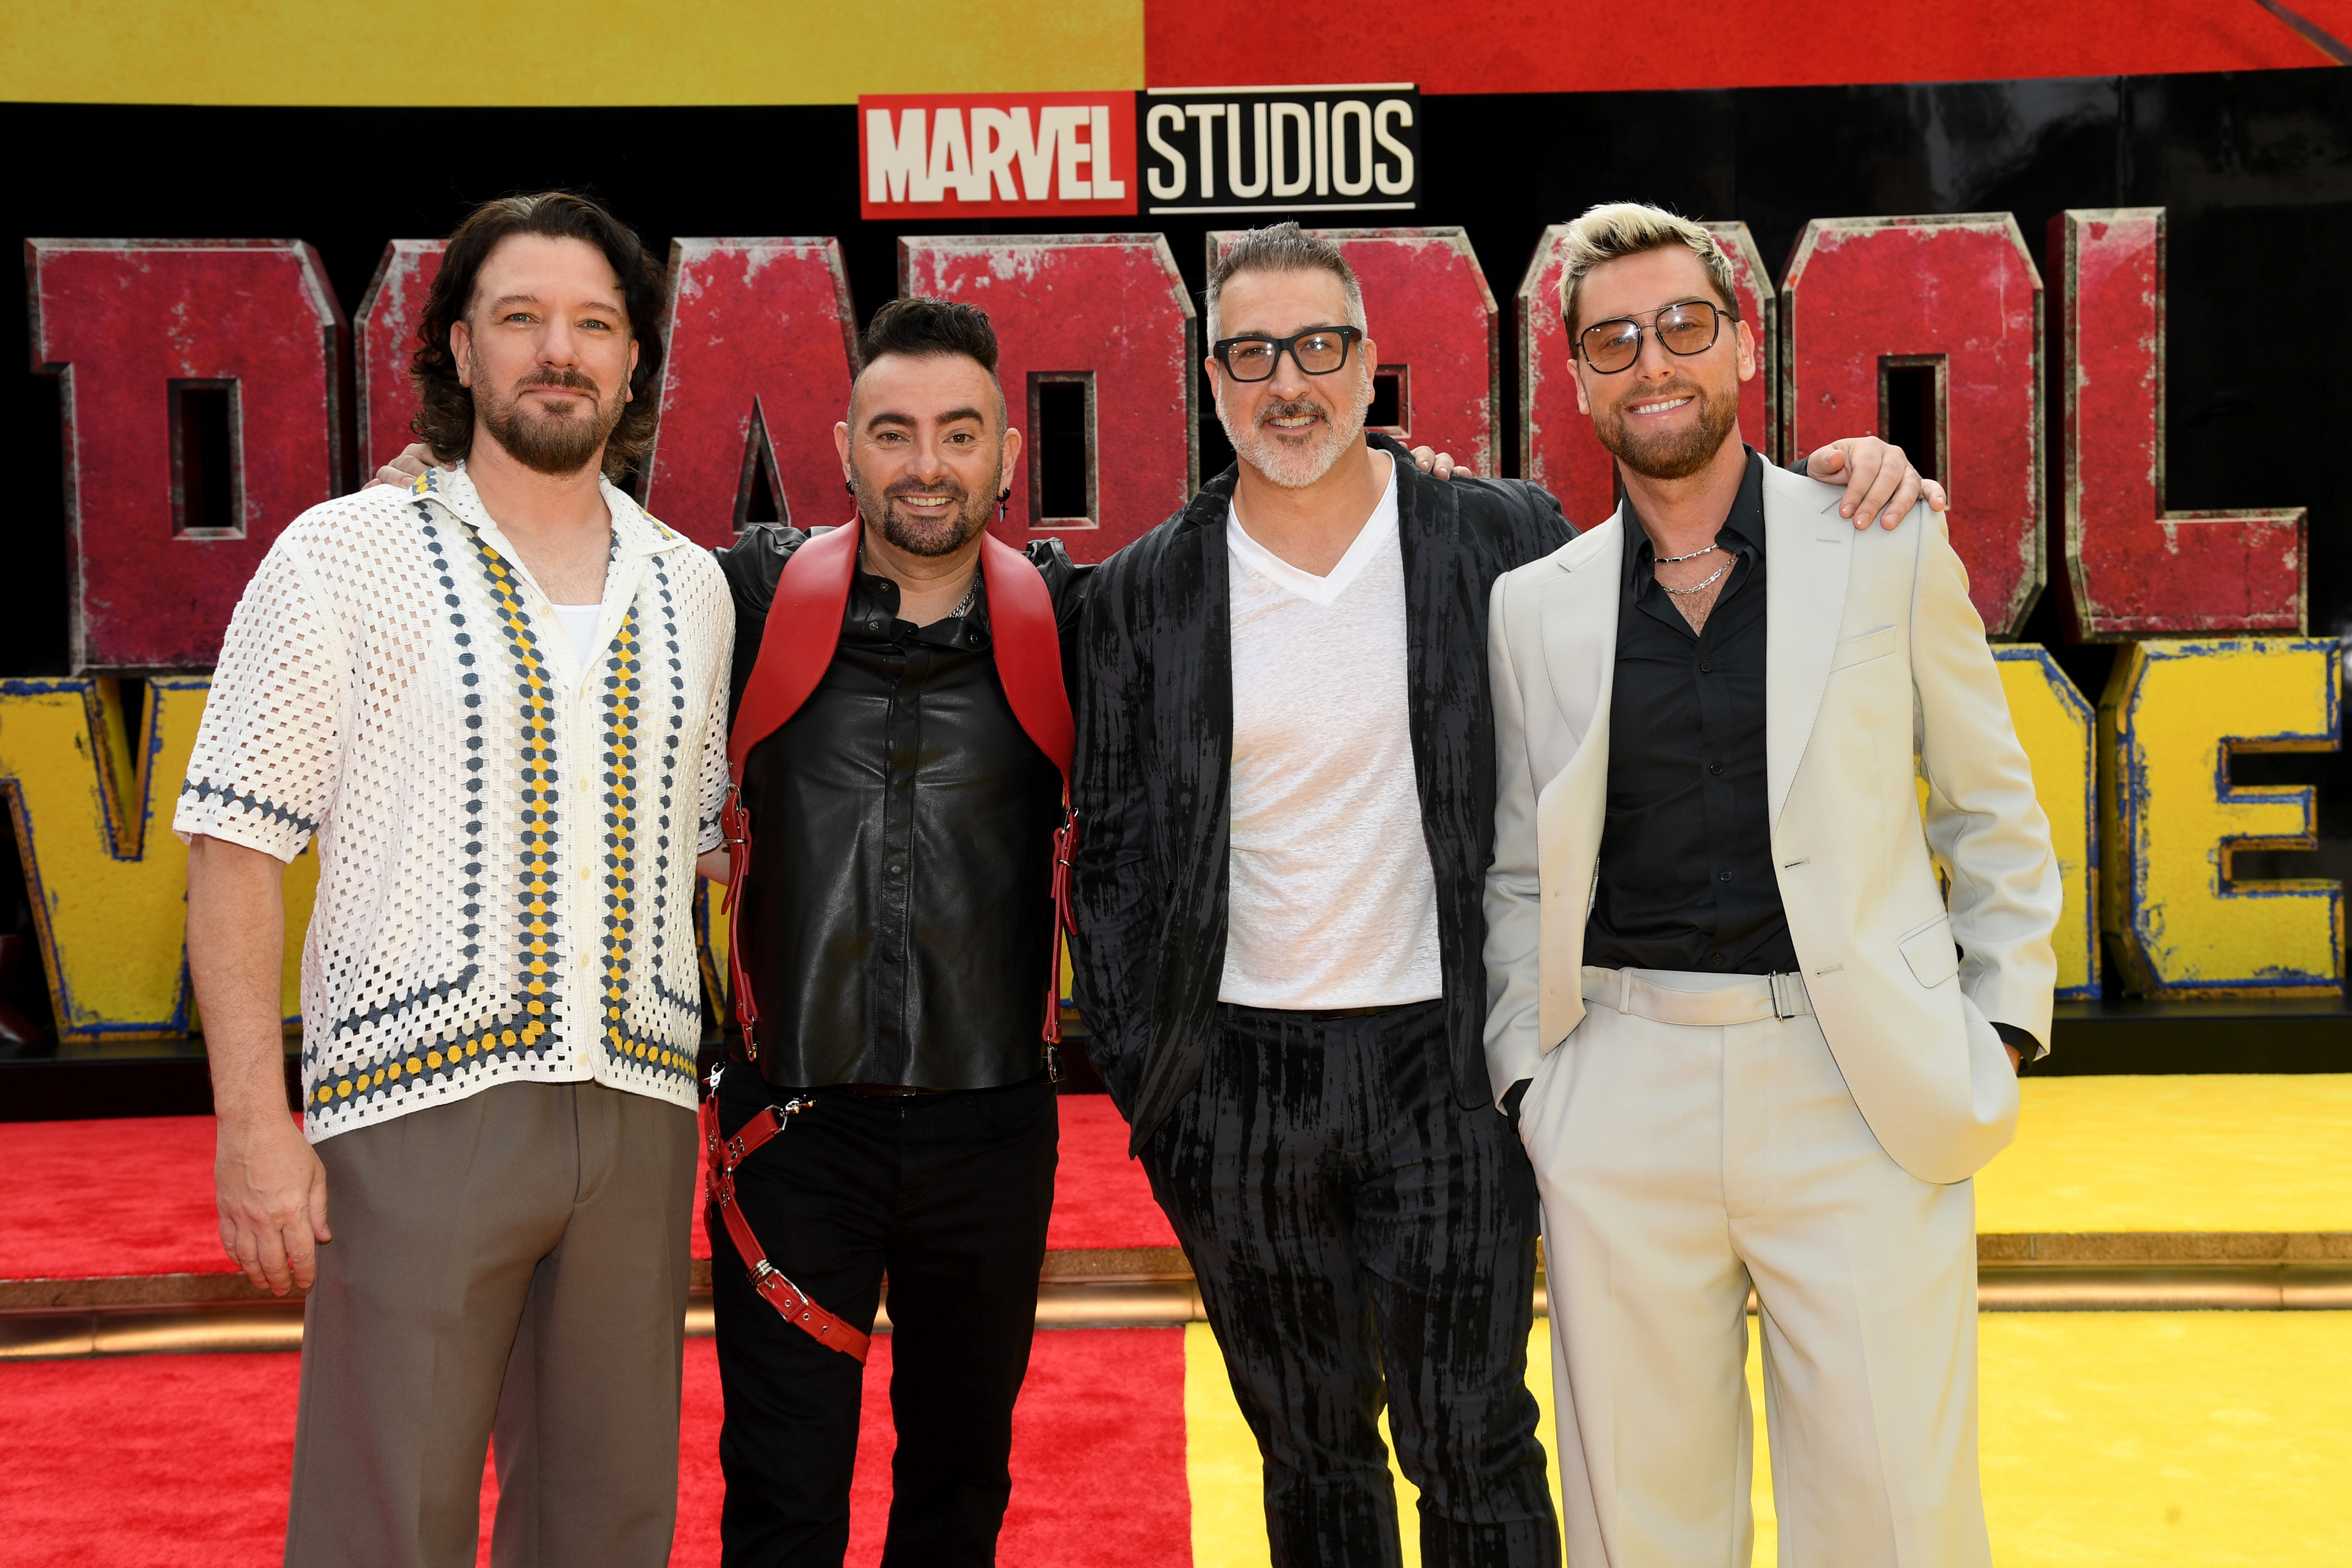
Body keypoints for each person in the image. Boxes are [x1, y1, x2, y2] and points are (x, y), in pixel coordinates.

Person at [1068, 220, 1939, 1568]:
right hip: (1234, 1080)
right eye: (1250, 353)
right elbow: (1110, 857)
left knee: (1474, 1437)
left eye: (1316, 347)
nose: (1284, 380)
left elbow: (1682, 555)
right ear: (1210, 375)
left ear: (1369, 369)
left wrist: (1865, 473)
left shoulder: (1499, 537)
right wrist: (1155, 1083)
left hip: (1446, 1064)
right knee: (1308, 1451)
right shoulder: (1138, 593)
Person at [1482, 202, 2061, 1567]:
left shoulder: (1881, 537)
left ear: (1741, 345)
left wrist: (1997, 1031)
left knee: (1893, 1521)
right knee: (1643, 1523)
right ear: (1574, 380)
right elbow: (1517, 868)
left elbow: (1991, 806)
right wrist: (1532, 1080)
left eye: (1683, 325)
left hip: (1858, 1085)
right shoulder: (1535, 606)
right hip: (1617, 1088)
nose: (1652, 361)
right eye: (1612, 340)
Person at [183, 190, 730, 1568]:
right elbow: (233, 843)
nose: (560, 350)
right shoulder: (339, 556)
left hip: (640, 1115)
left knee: (608, 1526)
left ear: (633, 361)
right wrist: (253, 1118)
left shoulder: (693, 585)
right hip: (415, 1115)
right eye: (522, 320)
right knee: (387, 1523)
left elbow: (700, 846)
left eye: (594, 324)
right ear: (458, 351)